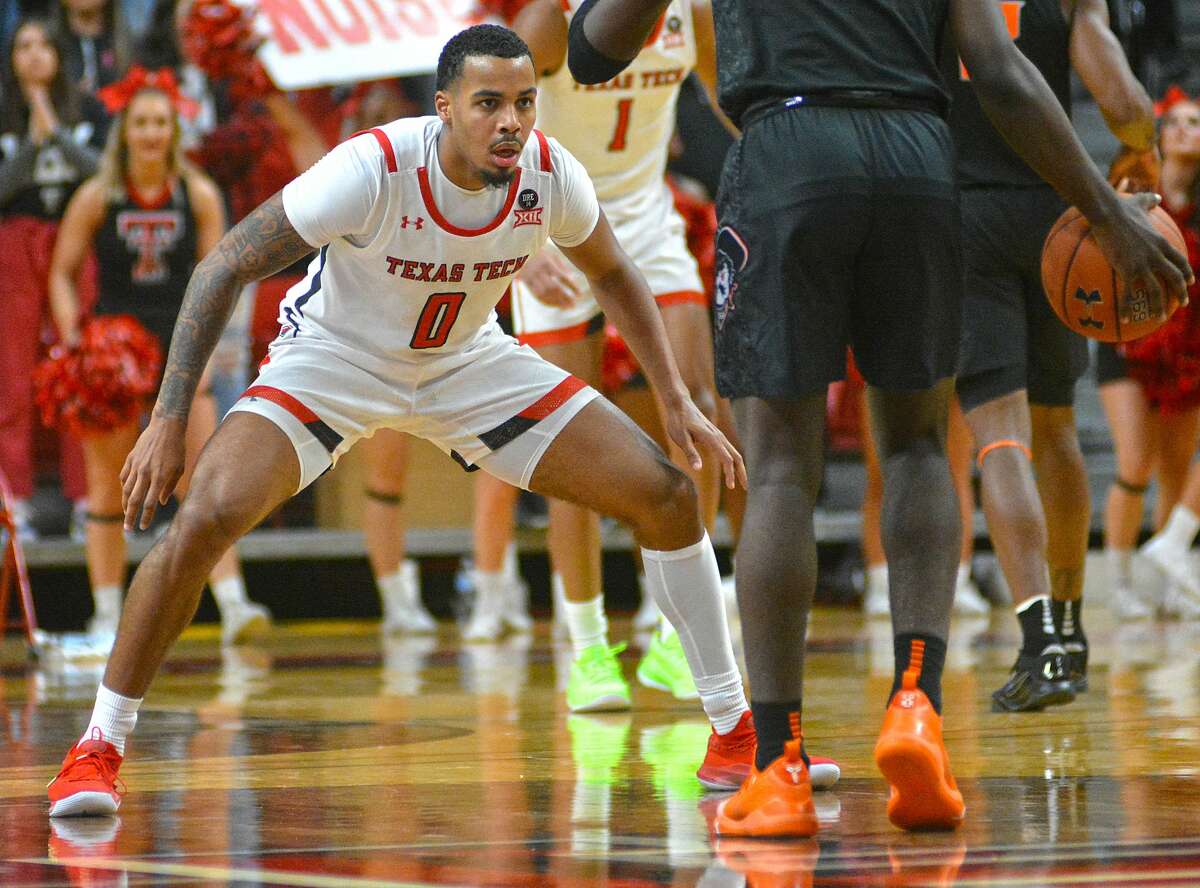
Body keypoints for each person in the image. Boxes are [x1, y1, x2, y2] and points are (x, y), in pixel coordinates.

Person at [45, 24, 756, 817]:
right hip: (335, 361)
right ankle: (98, 747)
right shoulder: (372, 168)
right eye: (489, 104)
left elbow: (617, 274)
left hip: (468, 365)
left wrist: (676, 402)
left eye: (524, 102)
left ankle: (734, 733)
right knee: (209, 512)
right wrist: (169, 418)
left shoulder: (549, 173)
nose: (511, 122)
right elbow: (225, 265)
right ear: (445, 108)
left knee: (664, 492)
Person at [569, 0, 1191, 836]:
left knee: (783, 463)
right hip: (918, 158)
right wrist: (1108, 213)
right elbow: (1000, 72)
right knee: (919, 447)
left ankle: (780, 765)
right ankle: (917, 707)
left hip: (788, 150)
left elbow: (594, 50)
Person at [464, 0, 741, 717]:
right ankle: (585, 645)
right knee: (568, 443)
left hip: (645, 222)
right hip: (552, 223)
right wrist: (513, 251)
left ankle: (677, 639)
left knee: (699, 410)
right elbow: (485, 133)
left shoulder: (693, 15)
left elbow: (735, 102)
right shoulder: (552, 20)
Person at [949, 0, 1159, 709]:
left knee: (998, 434)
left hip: (964, 211)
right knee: (1057, 426)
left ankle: (1039, 644)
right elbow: (1125, 101)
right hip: (1056, 213)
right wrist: (1143, 145)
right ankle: (1070, 634)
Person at [46, 66, 270, 646]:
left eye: (160, 123)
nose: (150, 133)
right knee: (108, 487)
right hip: (114, 355)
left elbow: (224, 277)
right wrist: (76, 340)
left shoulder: (196, 194)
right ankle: (104, 614)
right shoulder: (98, 195)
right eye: (141, 123)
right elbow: (62, 274)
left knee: (203, 480)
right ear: (125, 130)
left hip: (180, 352)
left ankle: (234, 604)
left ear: (174, 130)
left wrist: (219, 348)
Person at [0, 17, 106, 540]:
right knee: (12, 376)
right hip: (14, 242)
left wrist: (54, 132)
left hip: (73, 237)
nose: (35, 55)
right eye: (24, 46)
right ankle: (12, 501)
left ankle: (88, 499)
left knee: (77, 362)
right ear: (11, 57)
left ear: (61, 56)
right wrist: (28, 145)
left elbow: (103, 176)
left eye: (45, 45)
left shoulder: (86, 110)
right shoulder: (1, 111)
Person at [1101, 87, 1200, 618]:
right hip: (1128, 340)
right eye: (1177, 121)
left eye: (1196, 122)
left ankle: (1169, 577)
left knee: (1178, 469)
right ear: (1158, 133)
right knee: (1134, 463)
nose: (1186, 129)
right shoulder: (1133, 187)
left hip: (1186, 346)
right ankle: (1117, 582)